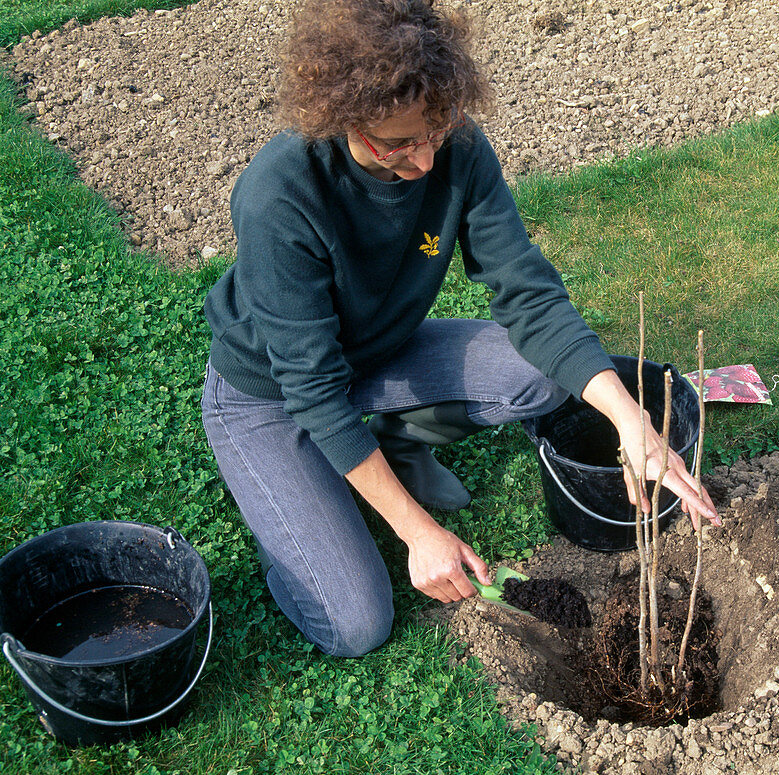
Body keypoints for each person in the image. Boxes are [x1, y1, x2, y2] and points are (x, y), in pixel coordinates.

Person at [201, 0, 718, 657]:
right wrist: (417, 531)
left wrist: (628, 419)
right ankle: (297, 508)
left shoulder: (459, 147)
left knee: (542, 375)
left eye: (433, 132)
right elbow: (312, 388)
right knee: (356, 623)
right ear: (342, 119)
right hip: (268, 394)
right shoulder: (280, 195)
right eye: (395, 146)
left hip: (379, 357)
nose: (421, 163)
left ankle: (393, 444)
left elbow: (529, 294)